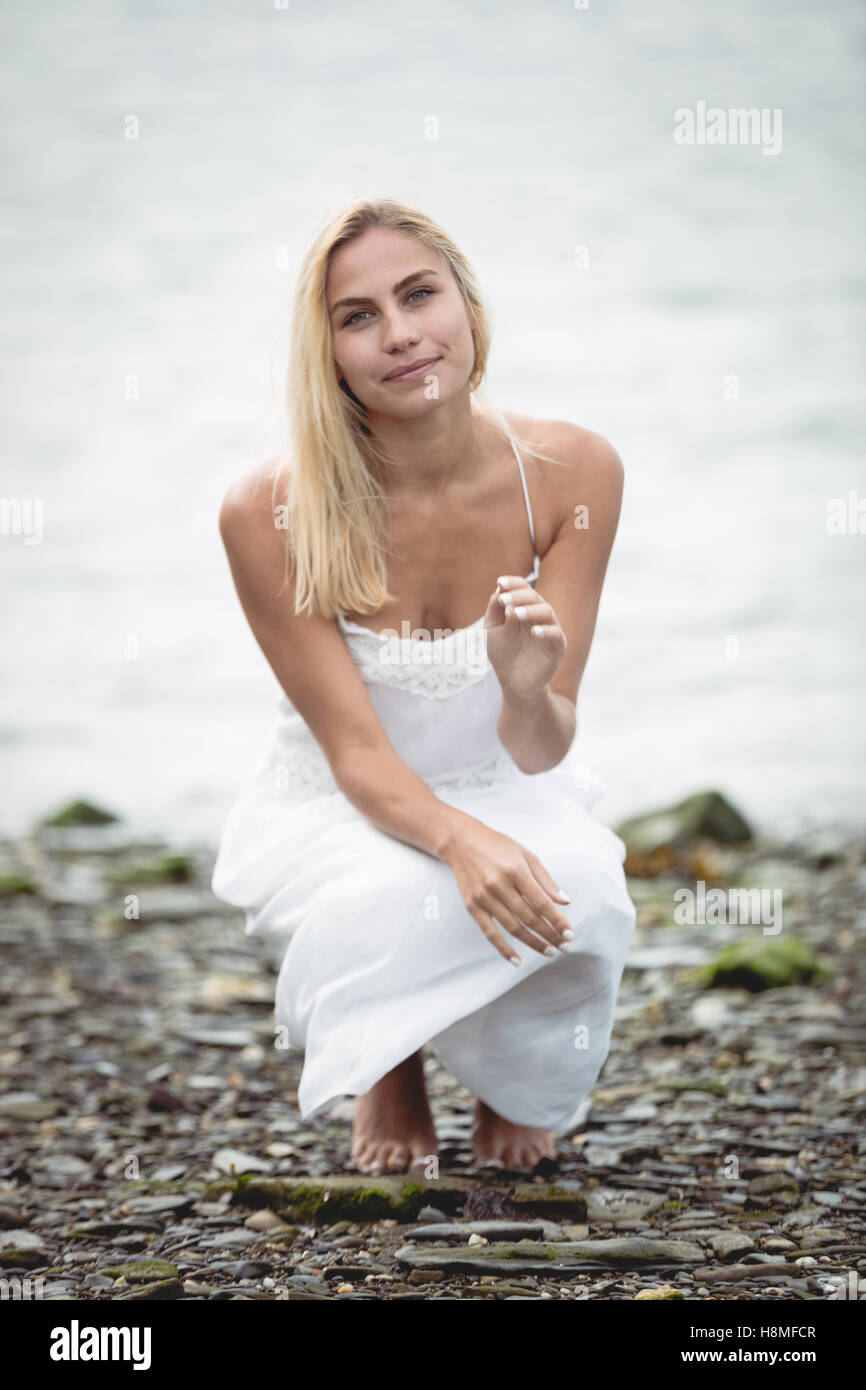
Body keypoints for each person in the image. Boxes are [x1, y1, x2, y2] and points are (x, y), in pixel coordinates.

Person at [211, 196, 636, 1176]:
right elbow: (355, 752)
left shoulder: (574, 469)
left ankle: (508, 1084)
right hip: (343, 798)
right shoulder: (265, 510)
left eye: (418, 295)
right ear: (326, 353)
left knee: (589, 900)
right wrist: (459, 841)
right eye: (356, 316)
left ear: (468, 309)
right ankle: (388, 1065)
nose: (399, 335)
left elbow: (542, 744)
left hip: (501, 779)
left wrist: (526, 689)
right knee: (388, 896)